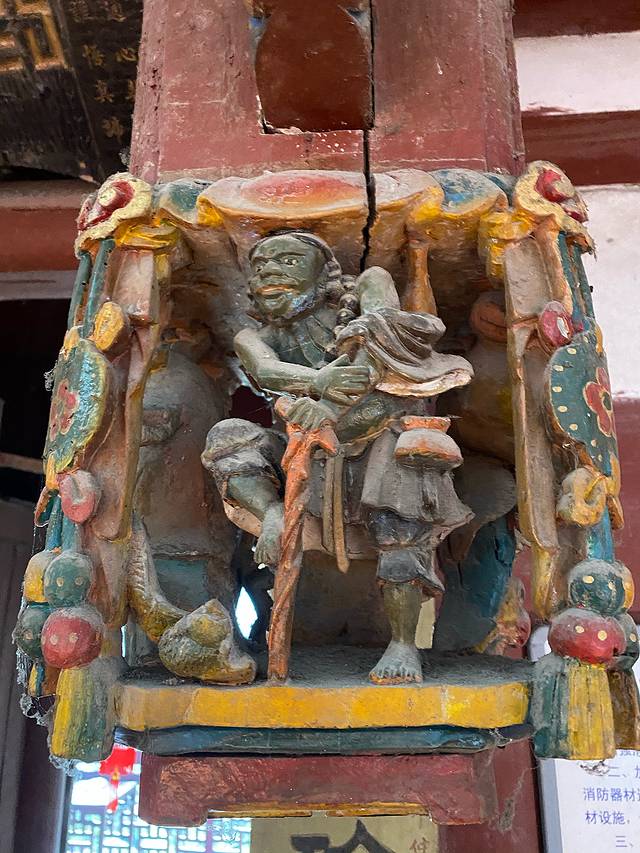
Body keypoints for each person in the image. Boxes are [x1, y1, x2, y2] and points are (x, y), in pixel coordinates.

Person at [202, 231, 473, 683]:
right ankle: (272, 512)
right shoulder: (253, 336)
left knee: (401, 510)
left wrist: (329, 407)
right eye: (261, 265)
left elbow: (380, 351)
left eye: (289, 261)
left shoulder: (364, 299)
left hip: (376, 437)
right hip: (304, 448)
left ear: (324, 274)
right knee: (228, 435)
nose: (271, 272)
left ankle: (403, 643)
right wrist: (318, 386)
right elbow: (268, 371)